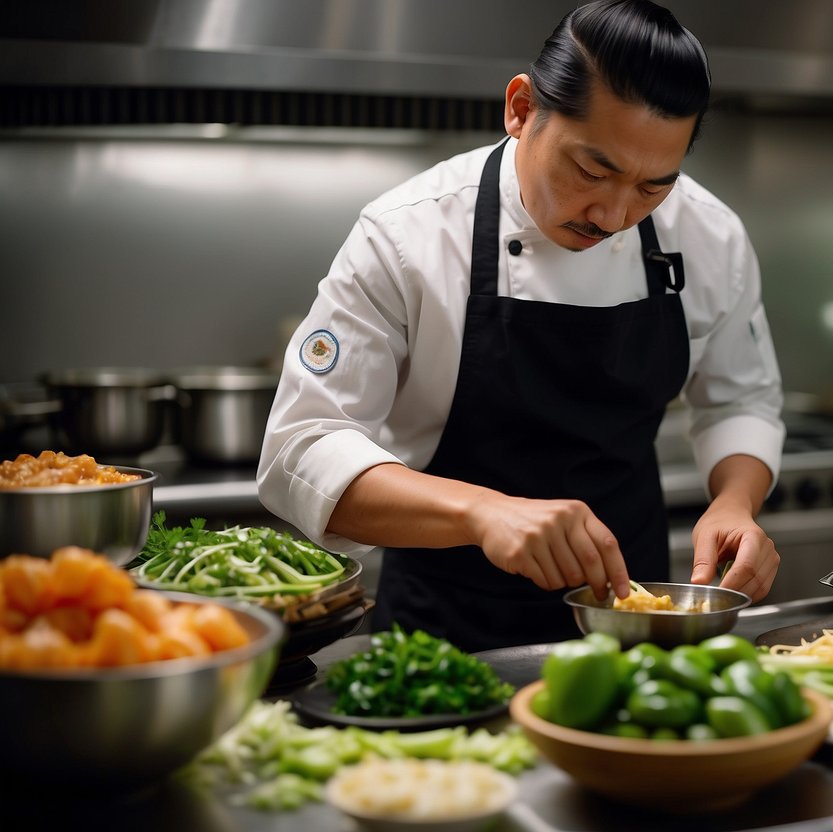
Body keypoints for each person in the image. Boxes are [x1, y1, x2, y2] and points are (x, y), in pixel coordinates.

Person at [257, 0, 786, 652]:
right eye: (593, 170)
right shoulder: (407, 234)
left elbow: (740, 398)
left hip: (631, 622)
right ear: (519, 108)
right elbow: (301, 449)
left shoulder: (709, 235)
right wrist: (482, 511)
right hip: (444, 634)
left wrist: (735, 503)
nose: (616, 213)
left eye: (654, 186)